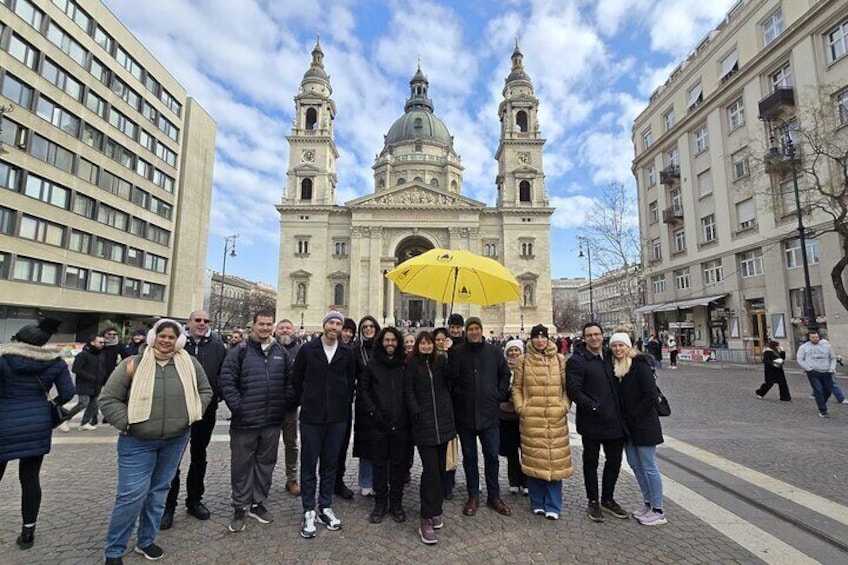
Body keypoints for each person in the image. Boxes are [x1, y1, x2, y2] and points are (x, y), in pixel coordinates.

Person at [100, 319, 212, 563]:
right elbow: (108, 399)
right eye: (162, 336)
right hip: (137, 440)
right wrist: (129, 422)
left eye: (171, 337)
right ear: (153, 337)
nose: (166, 341)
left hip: (175, 438)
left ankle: (146, 540)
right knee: (131, 495)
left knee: (158, 492)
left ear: (178, 340)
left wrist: (191, 414)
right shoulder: (134, 363)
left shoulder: (189, 363)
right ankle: (114, 549)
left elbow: (205, 391)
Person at [0, 318, 74, 551]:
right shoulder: (56, 362)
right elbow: (68, 393)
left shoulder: (3, 358)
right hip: (37, 424)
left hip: (3, 420)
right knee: (30, 478)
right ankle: (28, 532)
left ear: (18, 339)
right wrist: (45, 405)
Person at [219, 310, 292, 532]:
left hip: (271, 420)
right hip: (245, 421)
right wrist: (239, 408)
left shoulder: (280, 351)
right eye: (261, 324)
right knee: (242, 465)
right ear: (253, 325)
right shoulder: (239, 351)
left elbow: (291, 381)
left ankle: (257, 502)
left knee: (265, 464)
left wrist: (283, 404)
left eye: (269, 324)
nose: (265, 328)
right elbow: (227, 381)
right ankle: (240, 506)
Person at [290, 311, 356, 539]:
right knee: (309, 464)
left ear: (341, 328)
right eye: (331, 322)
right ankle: (309, 508)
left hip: (337, 417)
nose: (334, 327)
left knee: (330, 463)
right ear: (324, 325)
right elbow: (296, 380)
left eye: (338, 323)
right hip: (311, 417)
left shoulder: (347, 352)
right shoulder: (308, 350)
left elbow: (351, 381)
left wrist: (341, 402)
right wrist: (306, 400)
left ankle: (325, 505)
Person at [161, 310, 227, 530]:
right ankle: (168, 506)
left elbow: (223, 374)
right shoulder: (177, 345)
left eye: (205, 321)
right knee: (173, 458)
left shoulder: (217, 346)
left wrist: (218, 395)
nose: (201, 323)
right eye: (197, 320)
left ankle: (194, 500)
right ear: (188, 322)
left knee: (200, 455)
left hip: (205, 409)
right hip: (177, 410)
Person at [446, 316, 512, 517]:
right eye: (470, 328)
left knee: (492, 456)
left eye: (477, 328)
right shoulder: (456, 352)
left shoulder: (493, 351)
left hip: (489, 414)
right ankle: (473, 495)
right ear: (466, 331)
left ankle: (494, 496)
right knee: (470, 458)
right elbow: (450, 378)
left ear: (481, 330)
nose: (474, 332)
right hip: (465, 414)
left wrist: (498, 395)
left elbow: (505, 374)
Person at [566, 322, 629, 523]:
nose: (594, 338)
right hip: (592, 420)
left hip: (615, 420)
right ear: (584, 338)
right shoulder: (577, 360)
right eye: (589, 335)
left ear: (603, 336)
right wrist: (593, 407)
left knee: (614, 461)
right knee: (591, 462)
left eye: (597, 334)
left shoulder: (611, 357)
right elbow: (574, 390)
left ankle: (607, 498)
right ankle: (592, 500)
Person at [512, 325, 571, 520]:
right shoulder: (523, 360)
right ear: (531, 340)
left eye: (543, 337)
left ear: (548, 339)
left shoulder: (560, 360)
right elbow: (517, 388)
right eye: (536, 337)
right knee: (534, 459)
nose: (540, 340)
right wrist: (522, 408)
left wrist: (563, 406)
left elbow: (566, 387)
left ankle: (553, 504)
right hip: (532, 416)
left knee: (555, 461)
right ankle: (537, 502)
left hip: (555, 416)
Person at [608, 332, 666, 526]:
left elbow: (650, 395)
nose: (617, 349)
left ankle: (658, 510)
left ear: (628, 347)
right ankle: (647, 502)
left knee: (649, 466)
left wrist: (633, 415)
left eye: (621, 346)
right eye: (614, 346)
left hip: (643, 425)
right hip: (629, 427)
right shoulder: (617, 368)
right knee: (635, 464)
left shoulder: (640, 366)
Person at [404, 331, 456, 544]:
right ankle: (425, 517)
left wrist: (449, 352)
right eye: (423, 343)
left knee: (441, 471)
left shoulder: (441, 362)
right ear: (418, 345)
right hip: (424, 426)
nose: (426, 346)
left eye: (430, 343)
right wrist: (416, 412)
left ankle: (435, 510)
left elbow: (454, 378)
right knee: (430, 472)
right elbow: (408, 391)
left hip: (443, 424)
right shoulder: (412, 364)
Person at [360, 327, 409, 524]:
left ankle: (396, 504)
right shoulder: (372, 365)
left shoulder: (405, 364)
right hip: (378, 423)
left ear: (398, 343)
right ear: (381, 342)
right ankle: (380, 504)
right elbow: (364, 389)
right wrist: (373, 412)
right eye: (387, 340)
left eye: (393, 340)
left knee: (398, 465)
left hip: (400, 423)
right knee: (379, 465)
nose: (390, 344)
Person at [353, 316, 381, 497]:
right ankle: (366, 480)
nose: (368, 329)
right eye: (365, 327)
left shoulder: (384, 349)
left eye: (372, 326)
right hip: (364, 402)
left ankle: (380, 479)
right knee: (365, 442)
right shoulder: (356, 351)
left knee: (382, 441)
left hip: (383, 401)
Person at [276, 318, 303, 497]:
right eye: (282, 328)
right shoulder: (268, 348)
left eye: (288, 328)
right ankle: (262, 480)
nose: (285, 331)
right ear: (276, 330)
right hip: (268, 406)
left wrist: (297, 398)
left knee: (291, 444)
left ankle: (291, 478)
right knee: (265, 446)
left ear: (293, 330)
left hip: (290, 407)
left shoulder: (300, 351)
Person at [62, 334, 107, 431]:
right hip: (84, 384)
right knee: (83, 403)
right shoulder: (84, 354)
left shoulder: (101, 354)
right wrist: (89, 377)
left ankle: (84, 423)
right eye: (100, 342)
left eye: (103, 342)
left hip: (97, 384)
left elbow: (102, 368)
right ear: (92, 342)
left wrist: (103, 379)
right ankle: (64, 420)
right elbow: (76, 369)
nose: (102, 344)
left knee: (92, 404)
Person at [334, 317, 358, 499]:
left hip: (344, 407)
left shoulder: (351, 352)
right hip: (323, 408)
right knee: (327, 447)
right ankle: (327, 482)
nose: (347, 334)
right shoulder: (320, 349)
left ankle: (337, 481)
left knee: (341, 445)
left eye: (350, 331)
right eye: (345, 330)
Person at [500, 339, 527, 495]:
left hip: (524, 414)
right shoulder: (502, 368)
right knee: (511, 450)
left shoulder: (527, 368)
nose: (514, 353)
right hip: (507, 414)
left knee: (526, 450)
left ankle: (526, 480)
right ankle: (514, 480)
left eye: (517, 350)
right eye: (511, 350)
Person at [433, 327, 457, 500]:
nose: (441, 342)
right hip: (434, 411)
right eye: (437, 339)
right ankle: (436, 482)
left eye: (444, 339)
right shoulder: (429, 360)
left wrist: (451, 354)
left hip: (450, 409)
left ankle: (448, 484)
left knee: (450, 451)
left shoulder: (452, 356)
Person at [797, 329, 838, 418]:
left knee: (828, 389)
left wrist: (832, 368)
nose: (815, 339)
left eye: (816, 337)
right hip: (813, 372)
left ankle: (822, 402)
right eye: (813, 337)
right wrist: (809, 369)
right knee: (818, 390)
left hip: (826, 371)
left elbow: (833, 358)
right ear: (809, 338)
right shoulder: (804, 347)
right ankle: (823, 410)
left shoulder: (826, 346)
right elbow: (800, 359)